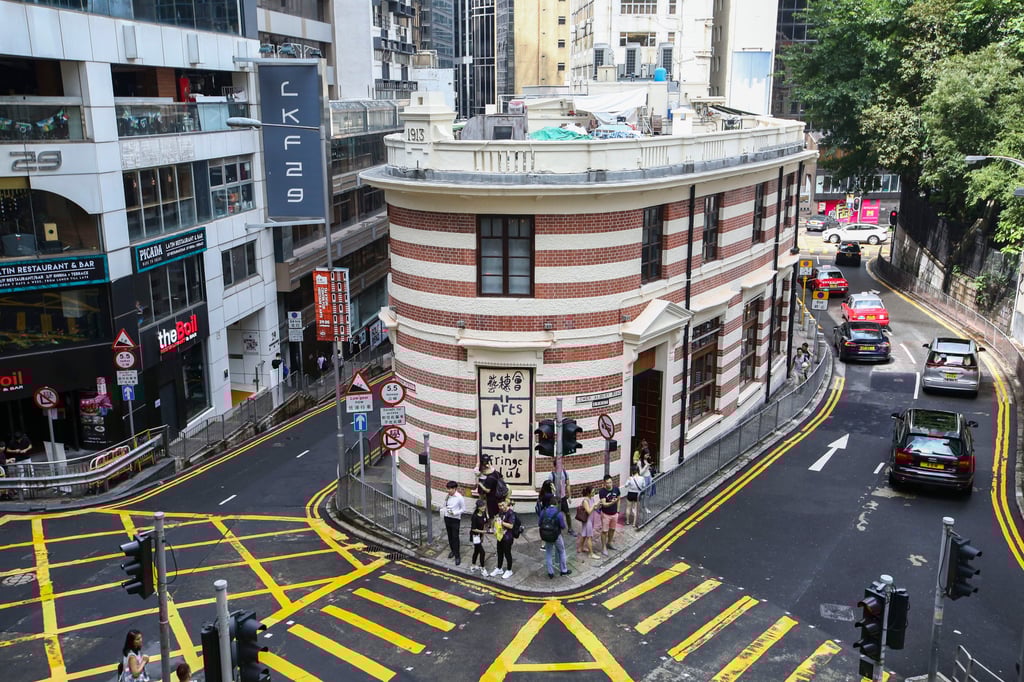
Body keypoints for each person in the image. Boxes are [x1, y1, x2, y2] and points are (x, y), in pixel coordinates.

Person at [538, 497, 571, 578]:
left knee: (548, 553)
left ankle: (550, 573)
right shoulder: (558, 514)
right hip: (556, 536)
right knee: (562, 551)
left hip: (546, 535)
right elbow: (563, 526)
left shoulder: (543, 512)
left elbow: (539, 523)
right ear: (557, 504)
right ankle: (563, 570)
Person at [490, 498, 516, 579]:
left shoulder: (511, 513)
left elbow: (511, 525)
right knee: (500, 553)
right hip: (500, 536)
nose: (501, 507)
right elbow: (497, 520)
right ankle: (499, 568)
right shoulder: (501, 512)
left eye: (502, 505)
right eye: (499, 506)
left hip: (508, 537)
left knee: (507, 554)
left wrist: (502, 522)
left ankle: (509, 570)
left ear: (506, 503)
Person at [441, 480, 465, 566]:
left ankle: (457, 556)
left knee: (455, 537)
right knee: (450, 536)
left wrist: (455, 513)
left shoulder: (459, 498)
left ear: (455, 489)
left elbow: (463, 509)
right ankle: (453, 551)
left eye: (450, 489)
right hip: (447, 517)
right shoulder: (448, 496)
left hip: (455, 519)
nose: (448, 491)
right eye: (447, 489)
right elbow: (444, 505)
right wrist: (445, 500)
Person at [548, 468, 576, 537]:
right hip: (556, 499)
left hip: (563, 498)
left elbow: (568, 484)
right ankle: (555, 530)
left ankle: (570, 529)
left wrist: (569, 496)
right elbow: (550, 487)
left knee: (568, 513)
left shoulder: (565, 473)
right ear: (555, 466)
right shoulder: (551, 475)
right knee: (555, 515)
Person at [598, 474, 621, 554]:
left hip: (614, 514)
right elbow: (604, 504)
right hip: (606, 514)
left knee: (612, 529)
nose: (609, 484)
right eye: (607, 483)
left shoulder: (616, 489)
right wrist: (613, 502)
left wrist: (618, 510)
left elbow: (619, 498)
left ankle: (609, 542)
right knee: (604, 531)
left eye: (610, 482)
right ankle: (604, 547)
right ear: (604, 483)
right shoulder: (602, 492)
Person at [576, 486, 598, 559]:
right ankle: (591, 554)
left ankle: (580, 548)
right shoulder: (585, 501)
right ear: (588, 493)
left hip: (591, 519)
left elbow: (593, 508)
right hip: (587, 520)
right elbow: (588, 511)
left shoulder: (592, 498)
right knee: (589, 537)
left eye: (594, 492)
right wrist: (594, 506)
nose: (594, 493)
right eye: (592, 492)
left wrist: (597, 506)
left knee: (584, 534)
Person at [468, 498, 489, 573]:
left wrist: (483, 535)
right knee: (482, 552)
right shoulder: (474, 516)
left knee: (476, 551)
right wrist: (483, 531)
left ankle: (473, 565)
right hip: (475, 536)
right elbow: (473, 529)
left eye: (484, 506)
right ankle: (483, 568)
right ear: (478, 507)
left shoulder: (483, 513)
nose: (483, 507)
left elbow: (485, 523)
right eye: (481, 506)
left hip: (480, 536)